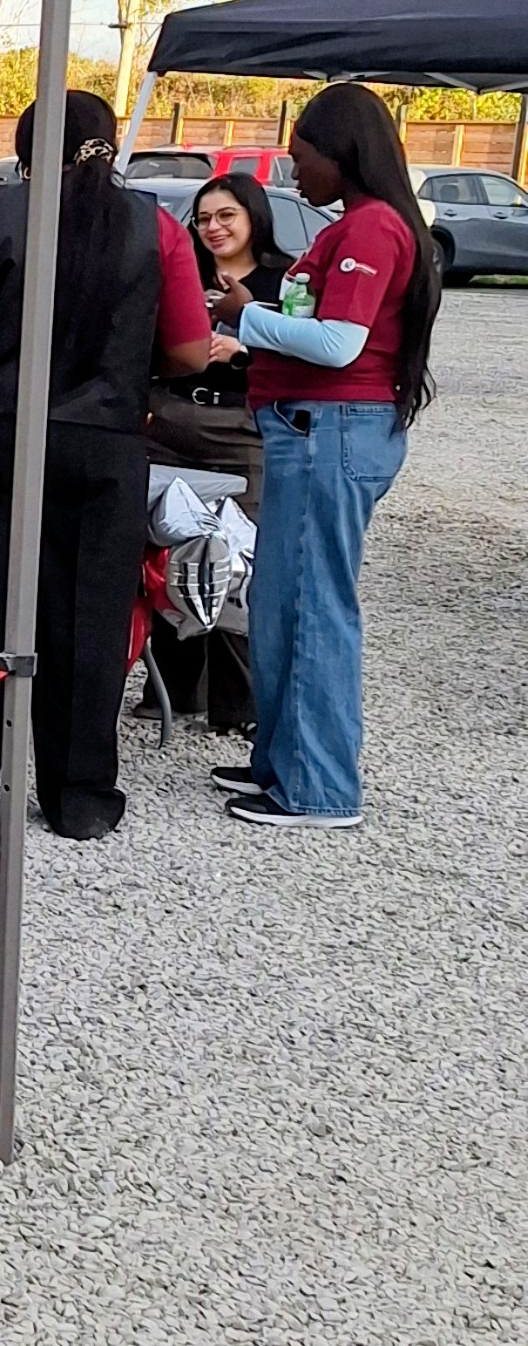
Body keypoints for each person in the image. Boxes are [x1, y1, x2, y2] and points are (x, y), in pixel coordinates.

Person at [0, 91, 214, 839]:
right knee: (90, 614)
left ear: (26, 154)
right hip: (105, 440)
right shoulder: (159, 227)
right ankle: (80, 798)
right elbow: (193, 352)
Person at [221, 80, 437, 831]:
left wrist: (247, 316)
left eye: (302, 155)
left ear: (342, 152)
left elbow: (340, 343)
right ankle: (282, 763)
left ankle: (319, 787)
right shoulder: (356, 223)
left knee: (313, 607)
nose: (294, 172)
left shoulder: (371, 230)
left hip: (331, 429)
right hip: (316, 429)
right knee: (282, 603)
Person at [145, 171, 278, 737]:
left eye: (226, 215)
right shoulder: (183, 273)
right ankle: (176, 689)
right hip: (172, 418)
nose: (213, 228)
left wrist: (242, 345)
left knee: (238, 557)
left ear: (254, 217)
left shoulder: (283, 278)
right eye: (202, 219)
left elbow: (303, 354)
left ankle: (238, 702)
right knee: (167, 546)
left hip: (242, 426)